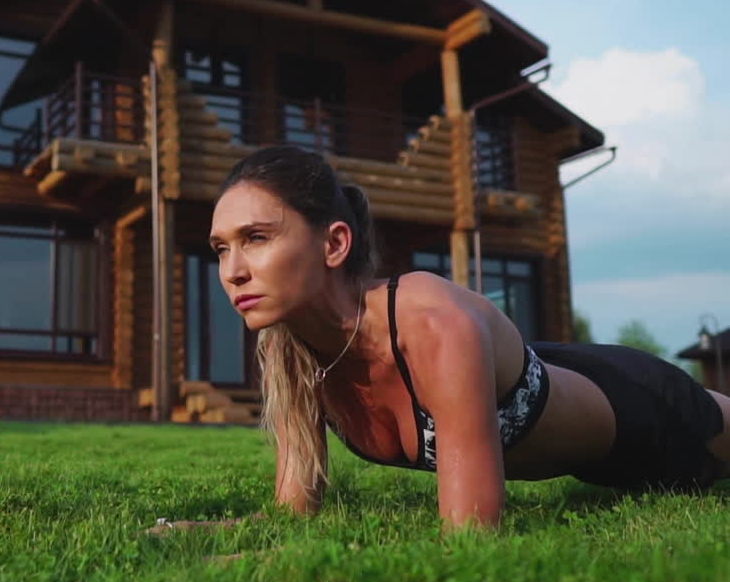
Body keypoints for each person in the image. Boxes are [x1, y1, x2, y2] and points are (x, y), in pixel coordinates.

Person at [200, 145, 730, 532]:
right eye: (221, 248)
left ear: (334, 244)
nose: (232, 270)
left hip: (640, 407)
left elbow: (472, 534)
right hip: (551, 378)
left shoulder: (435, 323)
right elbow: (294, 511)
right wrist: (223, 536)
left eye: (256, 238)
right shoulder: (288, 345)